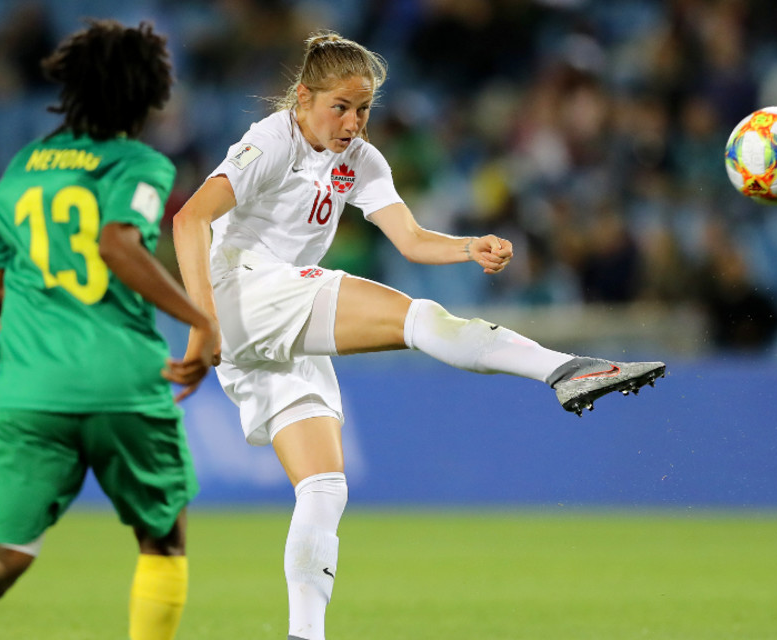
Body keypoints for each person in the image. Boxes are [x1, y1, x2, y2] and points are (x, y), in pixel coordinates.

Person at [172, 31, 666, 640]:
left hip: (271, 325)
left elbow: (408, 239)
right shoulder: (271, 141)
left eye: (364, 109)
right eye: (341, 108)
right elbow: (189, 217)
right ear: (302, 97)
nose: (353, 123)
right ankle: (563, 369)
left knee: (324, 489)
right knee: (416, 318)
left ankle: (304, 634)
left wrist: (468, 247)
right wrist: (203, 320)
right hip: (244, 290)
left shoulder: (361, 158)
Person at [0, 20, 218, 640]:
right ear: (144, 96)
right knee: (163, 541)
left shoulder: (22, 168)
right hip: (122, 382)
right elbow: (117, 244)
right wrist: (198, 317)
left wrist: (46, 320)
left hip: (29, 390)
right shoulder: (140, 165)